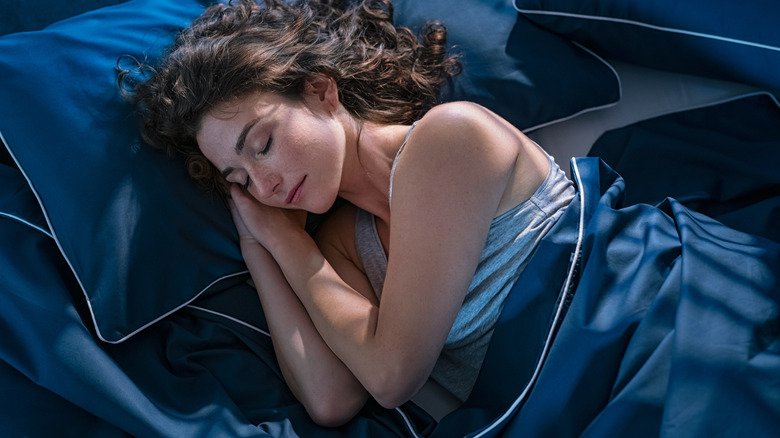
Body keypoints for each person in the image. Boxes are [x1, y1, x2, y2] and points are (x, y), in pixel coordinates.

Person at [120, 0, 575, 427]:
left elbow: (391, 376)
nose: (265, 186)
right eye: (239, 180)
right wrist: (260, 245)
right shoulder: (344, 246)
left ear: (321, 91)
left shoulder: (450, 138)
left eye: (263, 145)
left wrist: (290, 244)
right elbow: (330, 398)